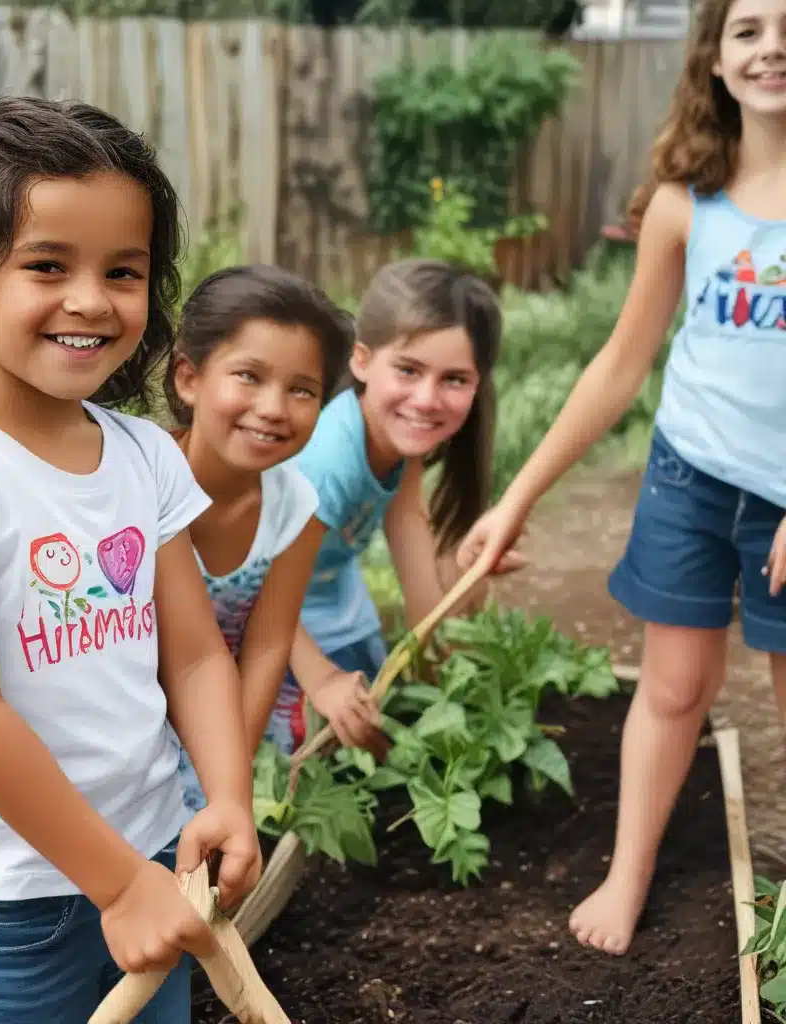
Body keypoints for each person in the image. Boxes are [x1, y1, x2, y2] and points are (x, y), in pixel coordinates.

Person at [0, 96, 261, 1024]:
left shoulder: (147, 455)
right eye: (46, 265)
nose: (89, 299)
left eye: (123, 270)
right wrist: (115, 886)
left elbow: (192, 654)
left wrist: (227, 795)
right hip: (13, 897)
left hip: (158, 850)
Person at [457, 0, 786, 957]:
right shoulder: (688, 203)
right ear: (715, 61)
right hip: (690, 480)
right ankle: (630, 872)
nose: (774, 47)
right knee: (676, 688)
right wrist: (515, 498)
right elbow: (619, 365)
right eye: (750, 29)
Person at [275, 258, 522, 756]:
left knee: (376, 726)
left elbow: (414, 558)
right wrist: (322, 683)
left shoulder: (400, 444)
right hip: (259, 614)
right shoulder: (329, 459)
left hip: (329, 598)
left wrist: (442, 681)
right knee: (301, 764)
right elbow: (262, 588)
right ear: (362, 360)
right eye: (408, 370)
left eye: (454, 379)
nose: (426, 399)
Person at [164, 264, 353, 808]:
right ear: (189, 378)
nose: (273, 408)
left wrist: (227, 785)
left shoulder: (294, 504)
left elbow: (269, 643)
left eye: (302, 389)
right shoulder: (141, 485)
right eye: (249, 376)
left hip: (231, 723)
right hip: (132, 729)